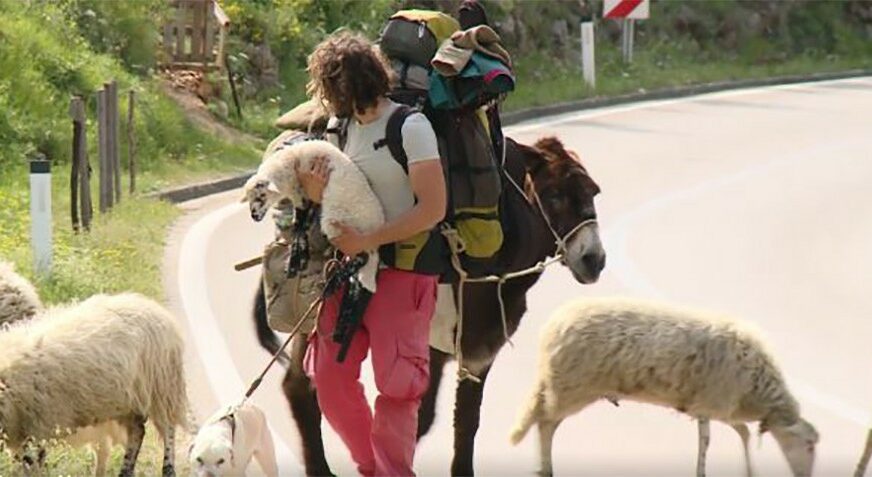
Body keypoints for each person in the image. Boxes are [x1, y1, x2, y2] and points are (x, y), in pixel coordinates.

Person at [297, 31, 446, 476]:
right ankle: (372, 467)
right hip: (350, 271)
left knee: (398, 385)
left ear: (341, 86)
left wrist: (369, 240)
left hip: (406, 268)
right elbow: (339, 200)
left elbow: (433, 208)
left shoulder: (410, 127)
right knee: (328, 374)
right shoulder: (338, 130)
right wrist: (315, 193)